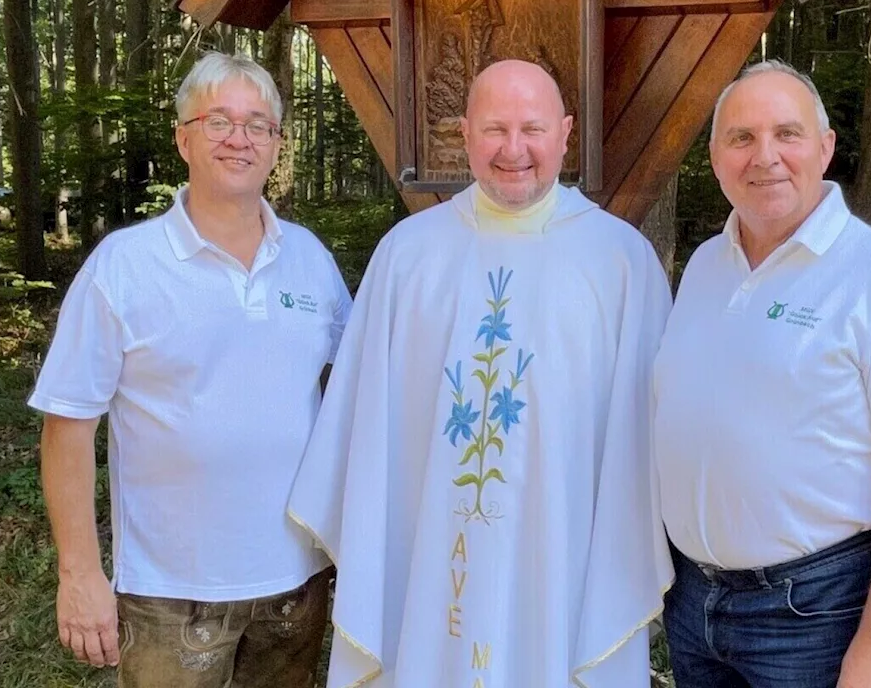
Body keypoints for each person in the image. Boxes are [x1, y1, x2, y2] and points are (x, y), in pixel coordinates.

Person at [288, 59, 673, 688]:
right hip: (431, 554)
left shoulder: (621, 263)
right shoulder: (407, 257)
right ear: (463, 134)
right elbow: (362, 436)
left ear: (566, 134)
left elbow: (652, 443)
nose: (513, 149)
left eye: (533, 128)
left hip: (564, 559)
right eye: (494, 129)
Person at [653, 60, 871, 688]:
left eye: (787, 134)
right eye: (741, 138)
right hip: (694, 604)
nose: (764, 157)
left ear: (825, 148)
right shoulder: (704, 265)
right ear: (716, 156)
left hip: (812, 613)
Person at [28, 52, 351, 688]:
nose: (240, 138)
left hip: (298, 582)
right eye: (219, 121)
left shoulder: (309, 260)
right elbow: (67, 428)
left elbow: (355, 393)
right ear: (183, 137)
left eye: (259, 124)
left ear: (276, 144)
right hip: (170, 593)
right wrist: (80, 574)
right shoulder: (124, 266)